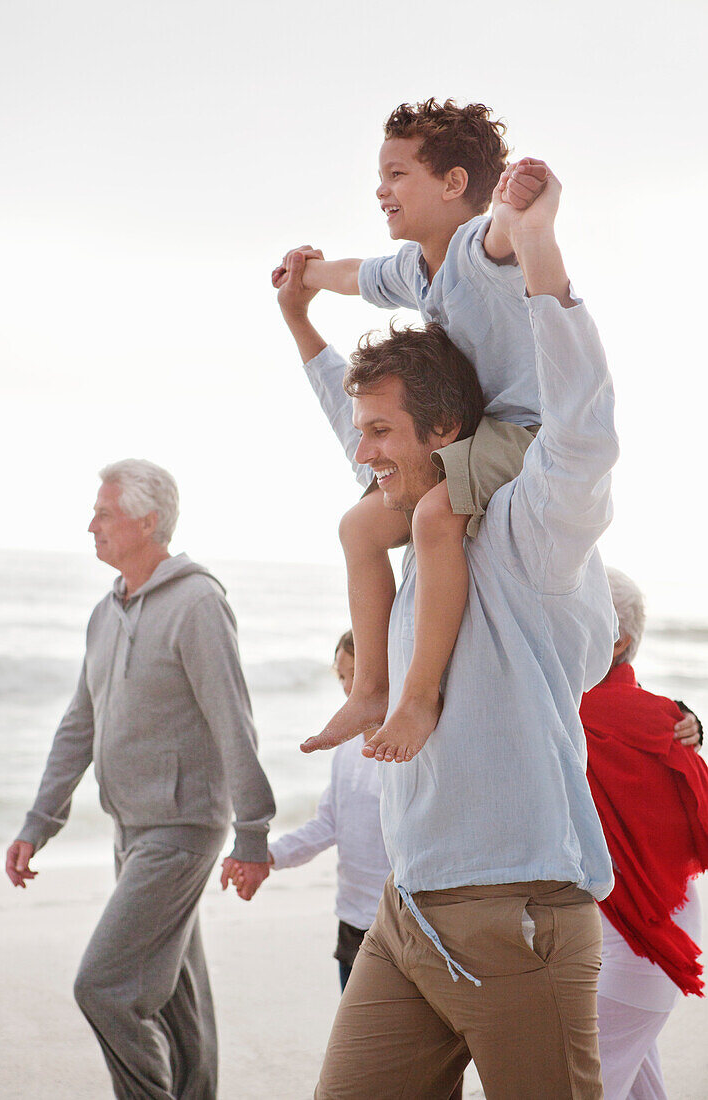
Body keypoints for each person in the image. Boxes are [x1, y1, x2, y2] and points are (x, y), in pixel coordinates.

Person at [279, 163, 619, 1099]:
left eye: (382, 433)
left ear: (443, 436)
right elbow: (350, 424)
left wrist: (541, 251)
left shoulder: (524, 532)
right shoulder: (406, 525)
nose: (363, 452)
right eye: (362, 432)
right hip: (408, 915)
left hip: (517, 914)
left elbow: (581, 433)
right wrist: (301, 325)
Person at [273, 100, 546, 766]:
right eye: (379, 175)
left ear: (453, 185)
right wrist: (304, 278)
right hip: (464, 436)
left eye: (397, 174)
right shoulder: (408, 268)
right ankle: (371, 686)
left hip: (521, 431)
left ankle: (417, 697)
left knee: (432, 514)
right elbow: (350, 275)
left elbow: (503, 237)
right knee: (359, 526)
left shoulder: (475, 250)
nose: (380, 188)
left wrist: (517, 204)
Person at [5, 459, 275, 1100]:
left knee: (103, 986)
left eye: (104, 512)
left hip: (181, 831)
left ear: (147, 521)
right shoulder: (106, 613)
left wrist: (254, 834)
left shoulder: (198, 604)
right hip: (131, 829)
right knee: (181, 1001)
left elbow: (234, 722)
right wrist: (38, 823)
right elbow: (79, 726)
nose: (90, 524)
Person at [580, 567, 708, 1100]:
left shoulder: (589, 714)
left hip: (637, 944)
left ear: (618, 640)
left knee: (579, 1089)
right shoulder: (662, 719)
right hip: (639, 938)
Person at [226, 631, 391, 992]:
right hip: (351, 919)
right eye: (342, 676)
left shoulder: (405, 751)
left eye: (358, 675)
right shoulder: (346, 749)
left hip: (397, 922)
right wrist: (267, 856)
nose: (349, 688)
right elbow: (327, 824)